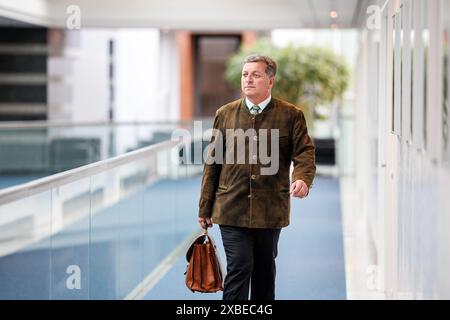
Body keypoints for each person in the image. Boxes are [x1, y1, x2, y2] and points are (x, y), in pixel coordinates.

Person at [198, 54, 316, 300]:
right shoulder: (225, 114)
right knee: (239, 267)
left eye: (255, 74)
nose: (248, 79)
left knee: (264, 272)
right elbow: (213, 162)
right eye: (245, 74)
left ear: (270, 80)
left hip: (270, 210)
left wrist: (303, 178)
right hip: (231, 208)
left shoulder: (291, 115)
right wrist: (205, 206)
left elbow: (304, 151)